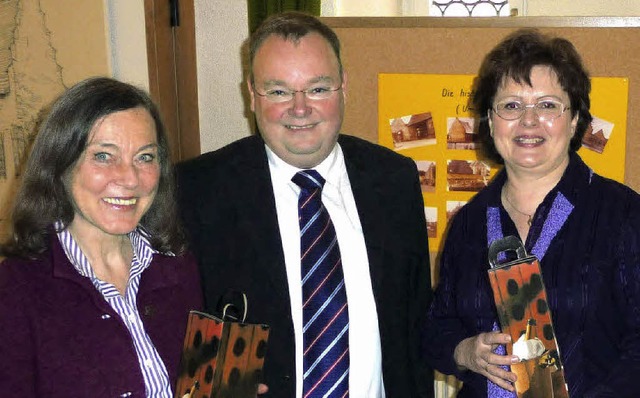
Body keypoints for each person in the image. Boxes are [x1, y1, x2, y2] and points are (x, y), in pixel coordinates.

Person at [176, 11, 433, 398]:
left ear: (343, 86)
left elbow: (413, 324)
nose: (299, 108)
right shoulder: (198, 189)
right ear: (251, 94)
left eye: (317, 88)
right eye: (278, 91)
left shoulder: (394, 180)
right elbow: (174, 321)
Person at [422, 28, 640, 397]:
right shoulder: (470, 223)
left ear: (574, 121)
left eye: (548, 105)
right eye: (511, 105)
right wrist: (466, 352)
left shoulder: (623, 215)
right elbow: (438, 326)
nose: (528, 120)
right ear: (491, 123)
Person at [0, 77, 203, 396]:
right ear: (61, 163)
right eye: (104, 156)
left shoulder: (178, 266)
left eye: (145, 157)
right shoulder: (15, 290)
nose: (130, 178)